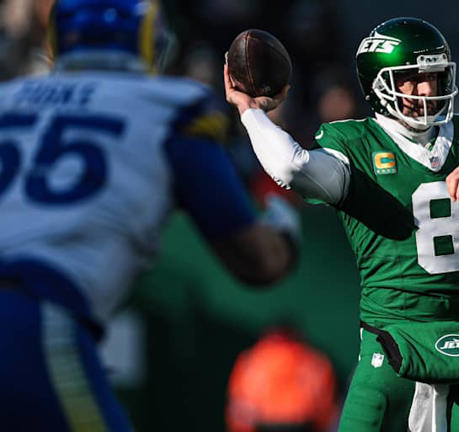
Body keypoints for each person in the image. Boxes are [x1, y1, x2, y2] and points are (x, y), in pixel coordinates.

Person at [225, 17, 459, 432]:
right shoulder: (356, 143)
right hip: (390, 341)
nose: (428, 90)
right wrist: (250, 112)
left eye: (435, 77)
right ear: (380, 85)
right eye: (413, 79)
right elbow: (292, 167)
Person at [0, 0, 299, 430]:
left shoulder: (8, 97)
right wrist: (285, 232)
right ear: (148, 41)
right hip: (33, 316)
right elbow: (258, 261)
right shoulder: (168, 108)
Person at [226, 327, 339, 432]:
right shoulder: (316, 361)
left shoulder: (250, 360)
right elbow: (326, 411)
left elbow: (238, 412)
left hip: (262, 424)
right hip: (302, 424)